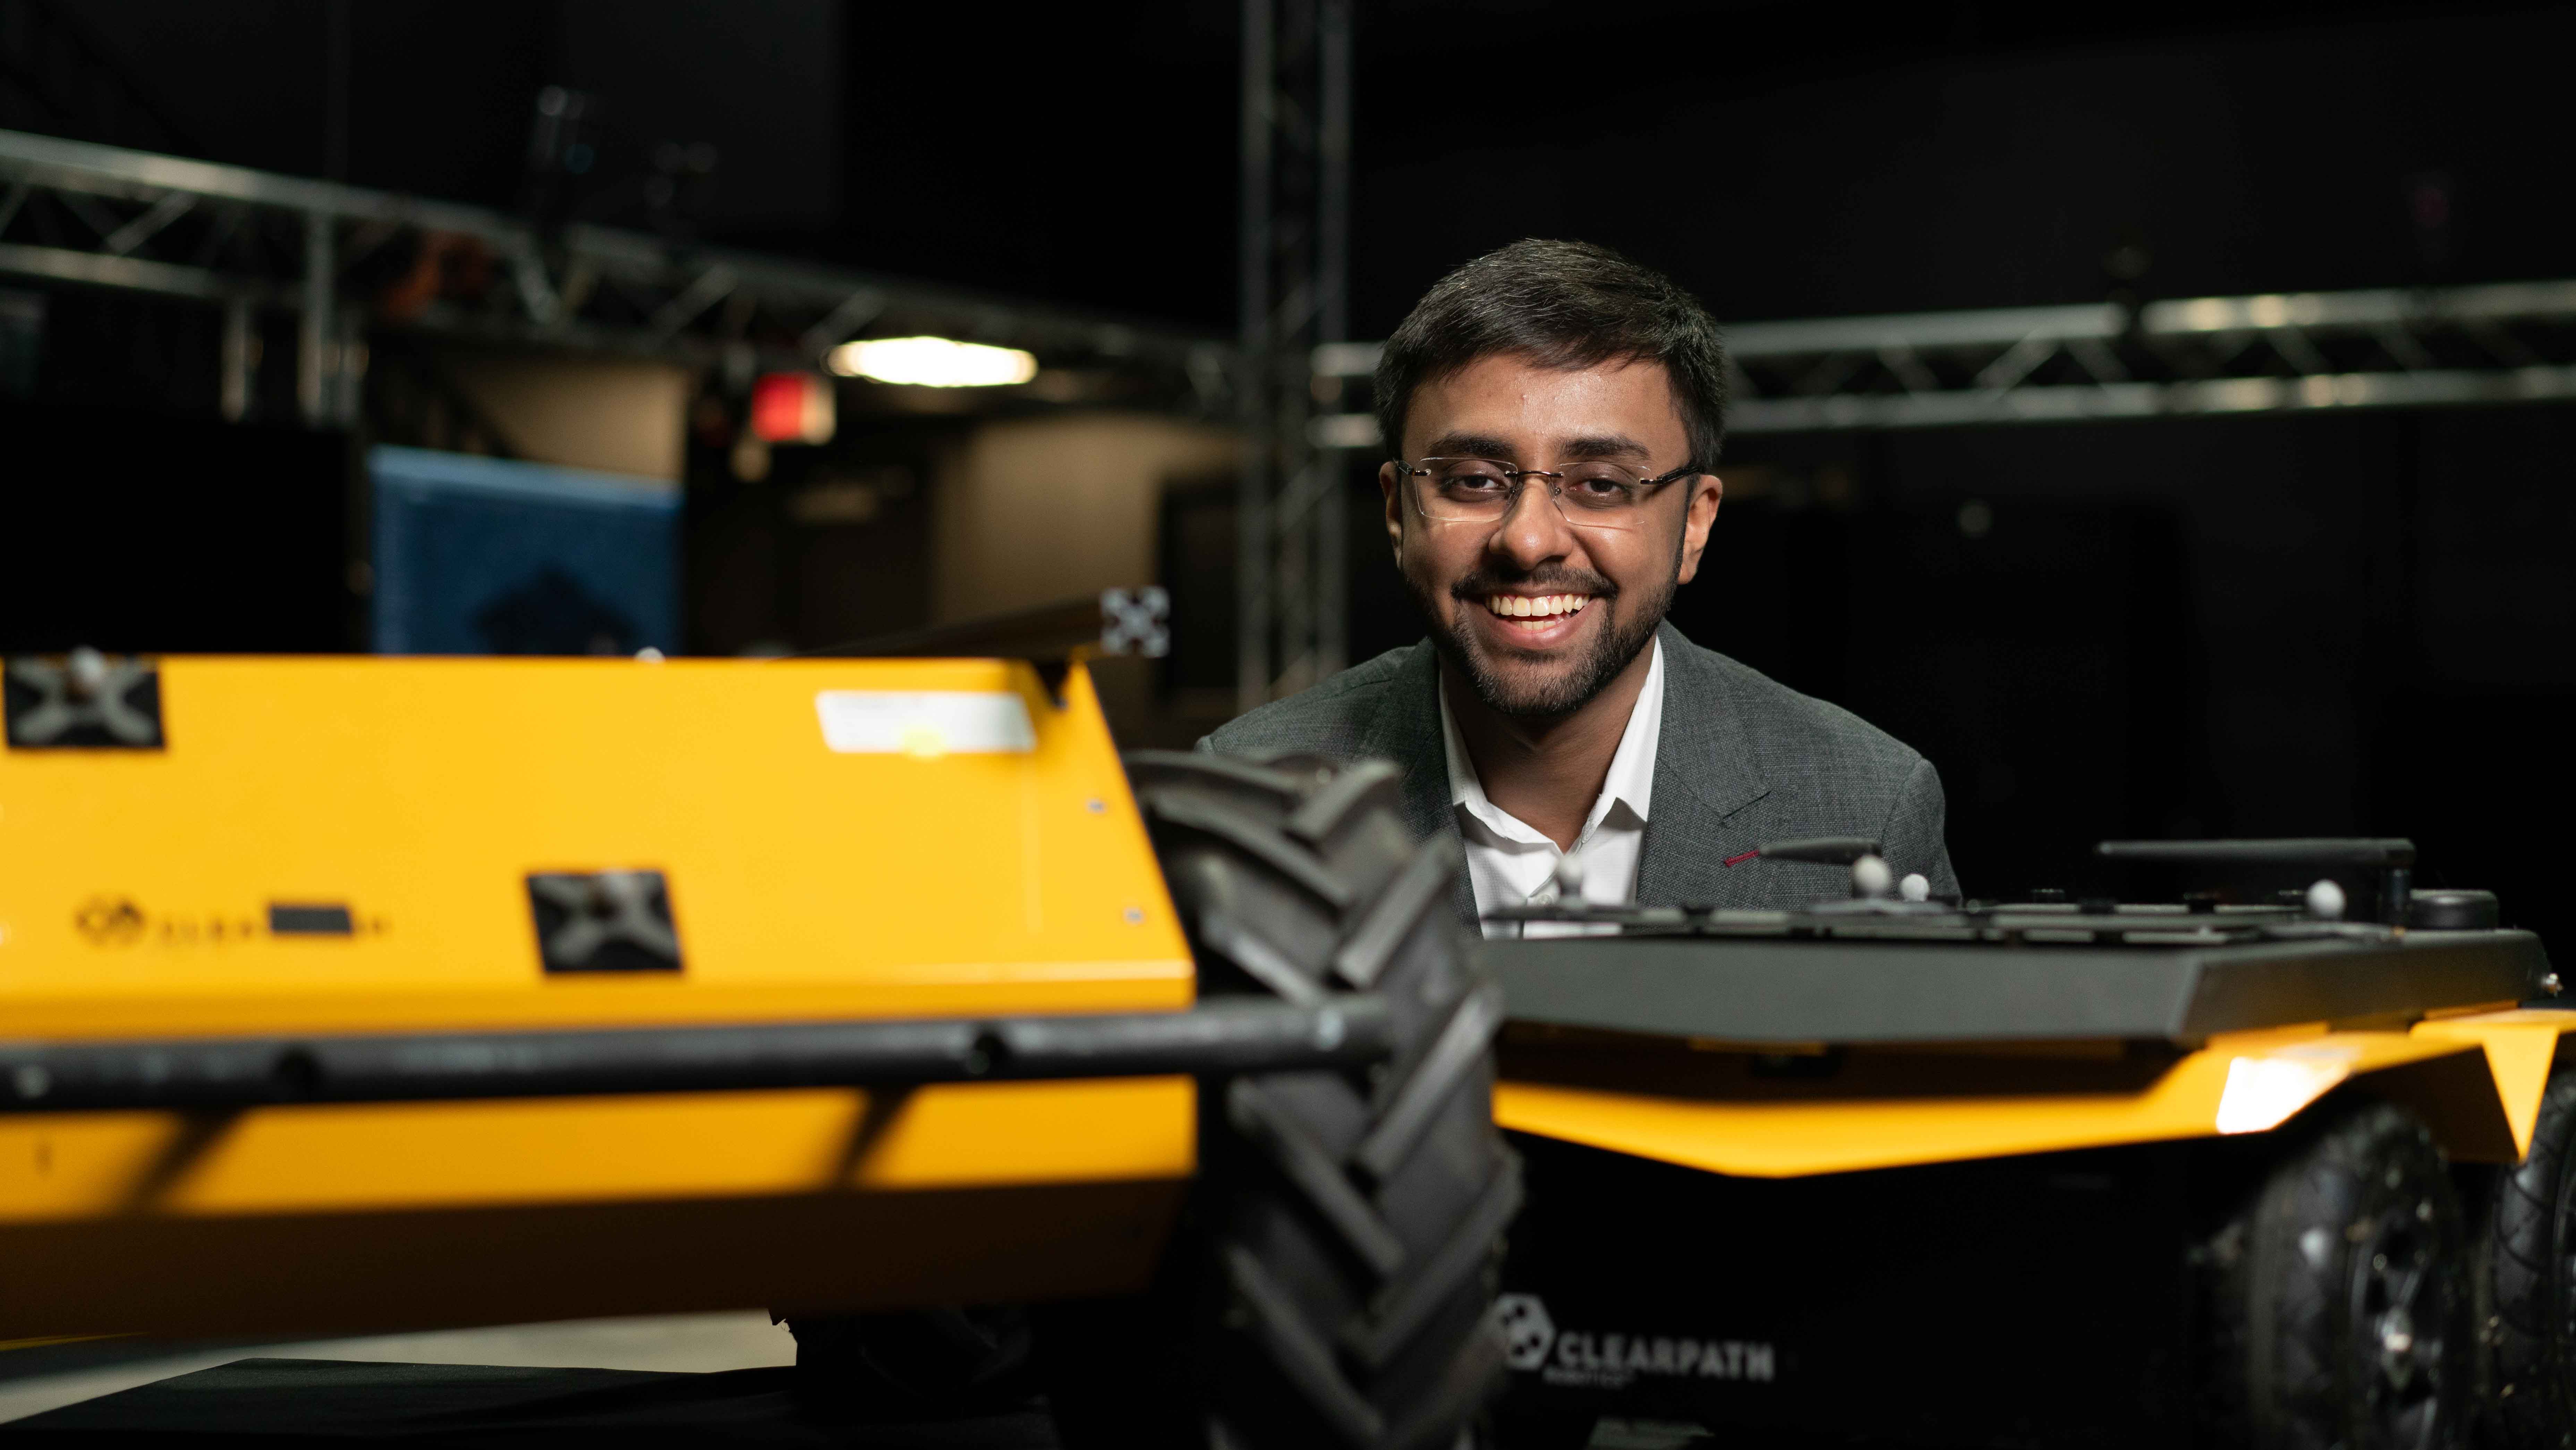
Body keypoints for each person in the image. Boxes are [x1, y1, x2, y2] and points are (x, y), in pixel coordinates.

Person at [1202, 239, 1959, 933]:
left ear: (1694, 525)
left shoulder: (1867, 804)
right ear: (1399, 512)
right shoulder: (1239, 800)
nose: (1528, 539)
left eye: (1600, 483)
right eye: (1472, 480)